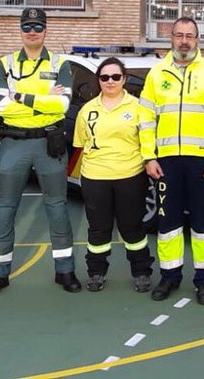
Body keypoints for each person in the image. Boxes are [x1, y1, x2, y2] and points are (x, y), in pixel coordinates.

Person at [0, 7, 81, 297]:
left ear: (46, 30)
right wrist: (43, 100)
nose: (32, 32)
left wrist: (20, 96)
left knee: (57, 207)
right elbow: (0, 105)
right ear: (20, 30)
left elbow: (61, 106)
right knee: (4, 208)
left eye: (38, 27)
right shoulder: (6, 63)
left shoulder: (61, 63)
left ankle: (65, 271)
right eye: (27, 27)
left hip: (49, 143)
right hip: (13, 143)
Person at [139, 16, 204, 305]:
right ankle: (169, 276)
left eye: (189, 35)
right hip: (166, 162)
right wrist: (148, 156)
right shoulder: (157, 73)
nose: (184, 40)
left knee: (203, 222)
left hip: (201, 162)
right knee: (167, 224)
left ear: (197, 39)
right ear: (171, 38)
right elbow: (145, 119)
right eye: (179, 35)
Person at [73, 57, 155, 293]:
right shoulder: (87, 110)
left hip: (130, 176)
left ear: (124, 80)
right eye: (104, 77)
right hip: (95, 178)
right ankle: (96, 273)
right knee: (98, 228)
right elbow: (81, 143)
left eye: (115, 77)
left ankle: (141, 272)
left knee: (132, 228)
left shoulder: (138, 108)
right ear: (98, 80)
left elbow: (147, 141)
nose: (110, 81)